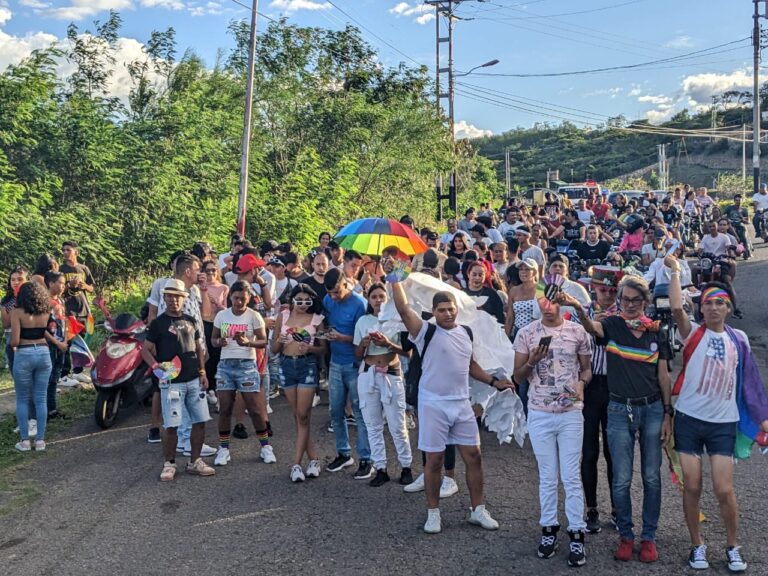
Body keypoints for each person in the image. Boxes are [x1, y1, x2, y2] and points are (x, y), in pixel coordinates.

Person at [389, 274, 513, 534]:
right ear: (433, 312)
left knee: (474, 457)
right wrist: (394, 279)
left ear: (457, 309)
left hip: (461, 403)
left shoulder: (466, 332)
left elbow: (471, 365)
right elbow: (403, 308)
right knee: (434, 461)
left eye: (451, 309)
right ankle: (433, 513)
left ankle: (478, 510)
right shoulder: (426, 331)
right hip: (433, 403)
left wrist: (494, 382)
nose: (447, 314)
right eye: (442, 310)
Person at [666, 256, 768, 572]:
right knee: (692, 486)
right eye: (708, 302)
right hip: (688, 420)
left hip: (723, 422)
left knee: (724, 489)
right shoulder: (693, 333)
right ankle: (697, 545)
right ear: (702, 308)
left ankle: (733, 546)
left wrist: (763, 419)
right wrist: (674, 271)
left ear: (728, 308)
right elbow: (676, 309)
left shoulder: (739, 340)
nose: (713, 307)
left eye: (720, 303)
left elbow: (751, 383)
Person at [565, 276, 672, 563]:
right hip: (618, 409)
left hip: (651, 409)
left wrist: (667, 413)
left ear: (646, 302)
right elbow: (592, 328)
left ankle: (648, 537)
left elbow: (663, 376)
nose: (630, 305)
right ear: (620, 300)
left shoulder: (657, 331)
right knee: (622, 479)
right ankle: (626, 535)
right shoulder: (612, 325)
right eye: (625, 299)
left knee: (651, 477)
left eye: (636, 300)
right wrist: (577, 306)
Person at [513, 282, 592, 567]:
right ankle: (548, 529)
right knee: (547, 476)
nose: (548, 308)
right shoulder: (526, 333)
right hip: (540, 413)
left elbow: (587, 369)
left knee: (571, 476)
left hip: (571, 412)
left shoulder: (577, 332)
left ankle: (577, 533)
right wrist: (532, 362)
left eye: (553, 302)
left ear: (562, 302)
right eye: (543, 302)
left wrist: (582, 383)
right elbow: (517, 376)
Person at [142, 279, 215, 481]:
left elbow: (199, 348)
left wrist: (203, 372)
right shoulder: (158, 323)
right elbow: (145, 350)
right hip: (171, 381)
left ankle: (195, 461)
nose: (173, 300)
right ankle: (169, 463)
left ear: (184, 298)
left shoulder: (191, 320)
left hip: (194, 378)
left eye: (177, 296)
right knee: (171, 424)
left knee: (200, 420)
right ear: (164, 298)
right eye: (169, 296)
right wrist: (155, 366)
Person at [353, 283, 413, 487]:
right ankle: (380, 468)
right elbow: (357, 354)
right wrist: (364, 344)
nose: (378, 300)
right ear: (368, 300)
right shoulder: (363, 321)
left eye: (382, 296)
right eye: (374, 297)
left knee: (397, 424)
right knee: (373, 425)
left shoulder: (397, 319)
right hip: (368, 374)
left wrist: (388, 344)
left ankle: (406, 466)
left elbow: (408, 352)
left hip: (391, 373)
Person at [211, 281, 275, 467]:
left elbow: (263, 341)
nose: (239, 302)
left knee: (255, 409)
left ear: (249, 299)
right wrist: (219, 341)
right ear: (230, 296)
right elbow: (213, 339)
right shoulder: (222, 315)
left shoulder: (254, 315)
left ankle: (265, 446)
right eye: (236, 298)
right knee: (225, 408)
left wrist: (248, 343)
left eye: (243, 299)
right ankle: (224, 449)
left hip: (247, 364)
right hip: (225, 365)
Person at [579, 268, 621, 534]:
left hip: (616, 386)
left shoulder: (625, 313)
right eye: (602, 289)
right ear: (594, 289)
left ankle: (617, 509)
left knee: (613, 452)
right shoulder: (581, 311)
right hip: (590, 385)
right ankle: (591, 508)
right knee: (589, 451)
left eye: (612, 290)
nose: (607, 295)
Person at [272, 284, 325, 482]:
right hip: (286, 366)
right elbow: (274, 349)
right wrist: (281, 339)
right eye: (299, 300)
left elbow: (323, 349)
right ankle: (314, 459)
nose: (303, 304)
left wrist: (310, 348)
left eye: (307, 301)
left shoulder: (317, 319)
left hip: (307, 366)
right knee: (298, 417)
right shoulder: (283, 317)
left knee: (303, 415)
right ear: (292, 300)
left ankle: (295, 464)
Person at [323, 268, 371, 478]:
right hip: (335, 362)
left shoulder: (360, 304)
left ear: (346, 284)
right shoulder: (328, 300)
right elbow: (325, 321)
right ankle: (343, 453)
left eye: (337, 292)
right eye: (330, 293)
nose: (334, 297)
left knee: (360, 412)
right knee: (335, 411)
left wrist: (342, 337)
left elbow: (365, 337)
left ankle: (366, 457)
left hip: (354, 363)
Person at [10, 282, 54, 452]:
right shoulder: (46, 311)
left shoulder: (17, 312)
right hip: (43, 353)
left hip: (24, 353)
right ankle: (40, 441)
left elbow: (14, 341)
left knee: (22, 398)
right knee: (41, 398)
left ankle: (25, 442)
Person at [59, 241, 95, 384]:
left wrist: (84, 285)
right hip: (68, 310)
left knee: (80, 343)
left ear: (76, 252)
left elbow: (92, 288)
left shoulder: (84, 269)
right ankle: (64, 373)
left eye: (68, 250)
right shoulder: (61, 269)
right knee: (67, 342)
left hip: (83, 309)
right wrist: (69, 285)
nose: (65, 252)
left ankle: (78, 371)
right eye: (63, 250)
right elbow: (57, 290)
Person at [201, 260, 229, 408]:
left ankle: (218, 389)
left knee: (218, 356)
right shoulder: (199, 287)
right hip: (204, 323)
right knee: (206, 356)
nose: (211, 273)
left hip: (219, 324)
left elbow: (227, 309)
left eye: (213, 270)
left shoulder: (224, 287)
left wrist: (217, 305)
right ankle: (209, 388)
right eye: (208, 270)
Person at [44, 272, 69, 420]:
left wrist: (65, 340)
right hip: (50, 344)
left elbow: (64, 321)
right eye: (60, 283)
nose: (63, 286)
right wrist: (57, 343)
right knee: (47, 378)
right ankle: (44, 411)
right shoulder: (43, 301)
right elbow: (41, 327)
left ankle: (52, 409)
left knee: (55, 377)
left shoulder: (60, 300)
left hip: (62, 344)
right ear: (51, 283)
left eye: (64, 283)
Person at [2, 266, 28, 377]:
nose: (16, 282)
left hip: (29, 341)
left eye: (20, 279)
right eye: (13, 280)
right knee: (16, 373)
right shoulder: (6, 300)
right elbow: (6, 324)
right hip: (11, 339)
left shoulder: (33, 298)